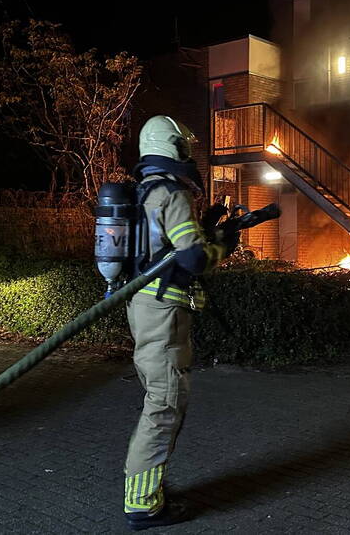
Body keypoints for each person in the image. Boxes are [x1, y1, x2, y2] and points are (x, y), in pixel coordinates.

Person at [122, 115, 236, 530]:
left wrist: (206, 228)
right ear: (173, 147)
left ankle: (148, 487)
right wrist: (223, 246)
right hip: (164, 312)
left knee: (159, 399)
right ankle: (143, 503)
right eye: (184, 146)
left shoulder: (144, 191)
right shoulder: (171, 192)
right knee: (164, 405)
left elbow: (164, 248)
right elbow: (191, 259)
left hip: (145, 306)